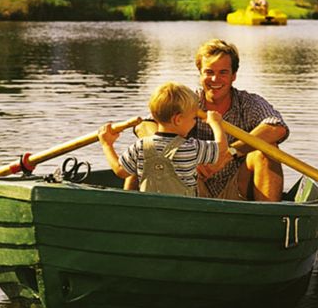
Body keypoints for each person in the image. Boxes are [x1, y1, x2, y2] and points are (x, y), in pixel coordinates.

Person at [135, 39, 289, 202]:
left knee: (267, 151)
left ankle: (266, 221)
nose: (215, 79)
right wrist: (176, 151)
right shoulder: (186, 101)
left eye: (223, 72)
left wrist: (228, 154)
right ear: (200, 74)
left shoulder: (248, 103)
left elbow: (277, 127)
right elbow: (144, 126)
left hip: (237, 191)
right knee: (147, 151)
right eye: (209, 72)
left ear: (233, 76)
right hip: (190, 191)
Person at [98, 81, 227, 196]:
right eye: (194, 118)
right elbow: (222, 148)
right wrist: (216, 123)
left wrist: (107, 145)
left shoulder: (140, 146)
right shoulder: (191, 147)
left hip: (150, 213)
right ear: (178, 119)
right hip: (183, 214)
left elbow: (120, 171)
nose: (195, 123)